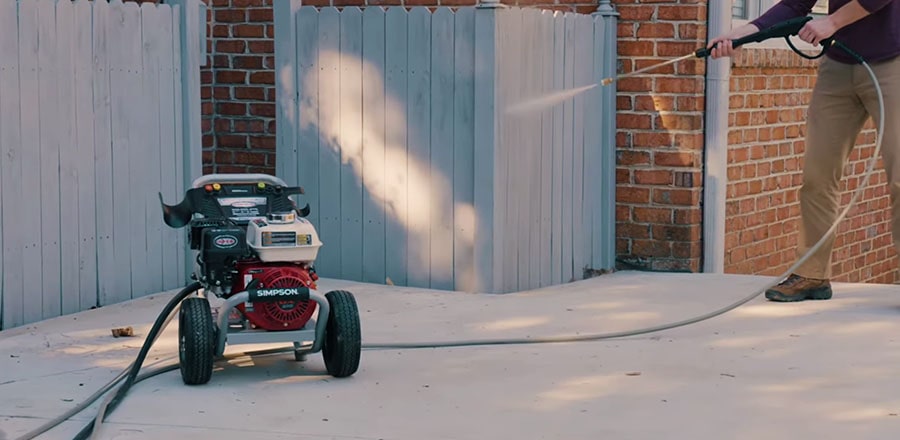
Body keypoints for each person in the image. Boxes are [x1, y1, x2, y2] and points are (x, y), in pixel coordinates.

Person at [707, 0, 899, 302]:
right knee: (817, 178)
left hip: (893, 61)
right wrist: (742, 33)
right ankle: (812, 275)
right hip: (839, 65)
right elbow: (795, 4)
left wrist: (832, 22)